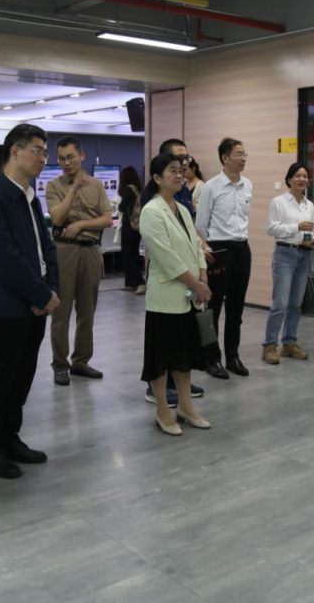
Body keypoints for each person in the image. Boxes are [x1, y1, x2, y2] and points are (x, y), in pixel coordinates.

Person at [0, 124, 58, 479]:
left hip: (35, 304)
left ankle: (10, 437)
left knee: (22, 377)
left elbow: (46, 248)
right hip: (7, 305)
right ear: (15, 151)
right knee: (0, 377)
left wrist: (51, 290)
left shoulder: (30, 197)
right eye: (37, 150)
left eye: (45, 152)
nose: (43, 158)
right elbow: (5, 258)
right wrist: (41, 295)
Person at [138, 153, 211, 435]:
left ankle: (185, 407)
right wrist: (197, 284)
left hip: (189, 295)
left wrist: (203, 277)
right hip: (166, 299)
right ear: (157, 178)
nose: (180, 175)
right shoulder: (151, 211)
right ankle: (162, 410)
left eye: (181, 170)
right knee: (161, 359)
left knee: (184, 356)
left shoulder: (181, 208)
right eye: (173, 171)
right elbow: (166, 257)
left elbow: (196, 245)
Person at [45, 136, 112, 386]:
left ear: (81, 156)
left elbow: (107, 219)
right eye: (61, 159)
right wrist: (73, 189)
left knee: (87, 310)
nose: (66, 162)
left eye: (70, 157)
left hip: (91, 250)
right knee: (60, 311)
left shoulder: (96, 185)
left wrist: (82, 223)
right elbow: (57, 218)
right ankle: (60, 365)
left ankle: (81, 362)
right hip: (64, 250)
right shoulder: (53, 186)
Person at [196, 138, 254, 377]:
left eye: (244, 154)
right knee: (213, 308)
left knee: (236, 308)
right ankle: (211, 359)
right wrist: (206, 250)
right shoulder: (211, 187)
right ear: (225, 158)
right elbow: (200, 225)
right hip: (218, 250)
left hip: (242, 250)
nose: (243, 158)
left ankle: (233, 356)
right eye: (238, 154)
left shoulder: (248, 185)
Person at [262, 162, 314, 365]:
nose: (302, 179)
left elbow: (310, 231)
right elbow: (271, 229)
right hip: (285, 253)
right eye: (298, 176)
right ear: (289, 179)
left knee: (295, 304)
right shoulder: (278, 202)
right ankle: (269, 346)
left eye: (305, 176)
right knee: (280, 303)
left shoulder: (309, 205)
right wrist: (296, 227)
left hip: (304, 254)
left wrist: (312, 240)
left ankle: (289, 343)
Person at [118, 165, 145, 294]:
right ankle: (130, 283)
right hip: (137, 225)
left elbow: (122, 207)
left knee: (128, 255)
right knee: (133, 253)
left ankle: (140, 282)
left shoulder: (127, 189)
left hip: (128, 226)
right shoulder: (139, 189)